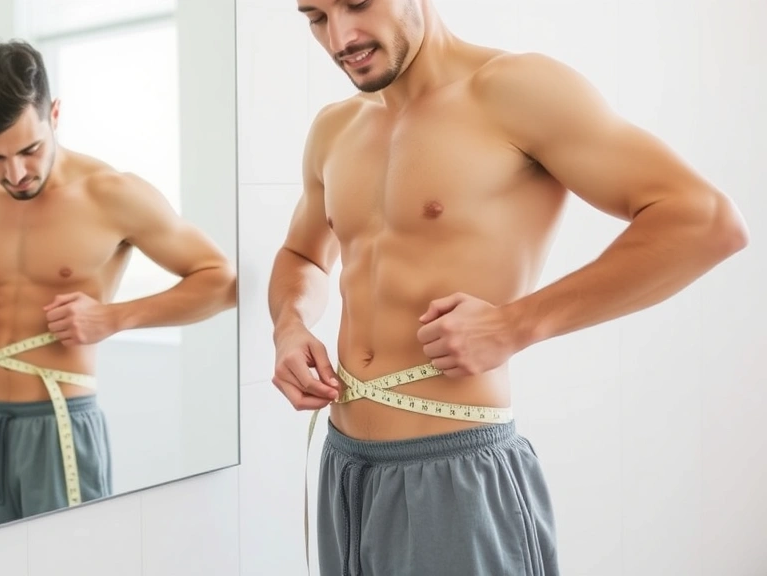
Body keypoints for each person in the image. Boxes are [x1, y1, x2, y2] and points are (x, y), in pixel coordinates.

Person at [269, 1, 749, 574]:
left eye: (358, 3)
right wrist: (290, 326)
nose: (341, 36)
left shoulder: (514, 90)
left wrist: (516, 324)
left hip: (454, 472)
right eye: (317, 17)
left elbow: (705, 221)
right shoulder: (334, 127)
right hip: (346, 466)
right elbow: (302, 255)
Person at [0, 38, 237, 534]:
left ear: (54, 112)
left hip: (61, 423)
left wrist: (113, 318)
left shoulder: (112, 194)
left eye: (30, 149)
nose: (16, 173)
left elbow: (222, 282)